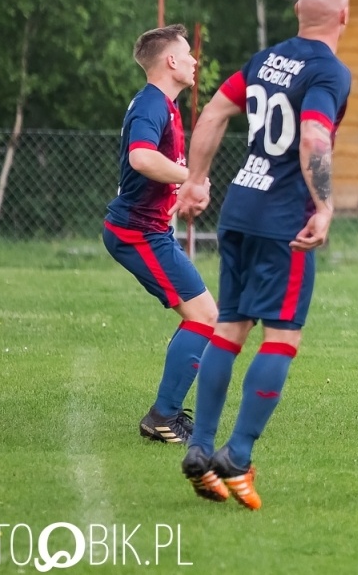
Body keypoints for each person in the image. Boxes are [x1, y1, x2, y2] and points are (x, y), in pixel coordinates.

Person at [172, 0, 353, 509]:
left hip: (240, 208)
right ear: (344, 17)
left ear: (297, 10)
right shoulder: (328, 71)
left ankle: (200, 447)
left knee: (229, 327)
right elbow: (314, 135)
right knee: (283, 335)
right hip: (283, 221)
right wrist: (324, 206)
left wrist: (196, 181)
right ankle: (237, 455)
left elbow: (212, 113)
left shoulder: (265, 60)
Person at [101, 25, 216, 445]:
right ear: (170, 61)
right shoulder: (152, 104)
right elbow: (141, 157)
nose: (194, 61)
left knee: (203, 317)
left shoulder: (163, 105)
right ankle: (163, 416)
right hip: (137, 233)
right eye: (187, 54)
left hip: (149, 230)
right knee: (204, 317)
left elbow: (155, 170)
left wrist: (181, 194)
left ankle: (166, 413)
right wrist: (192, 178)